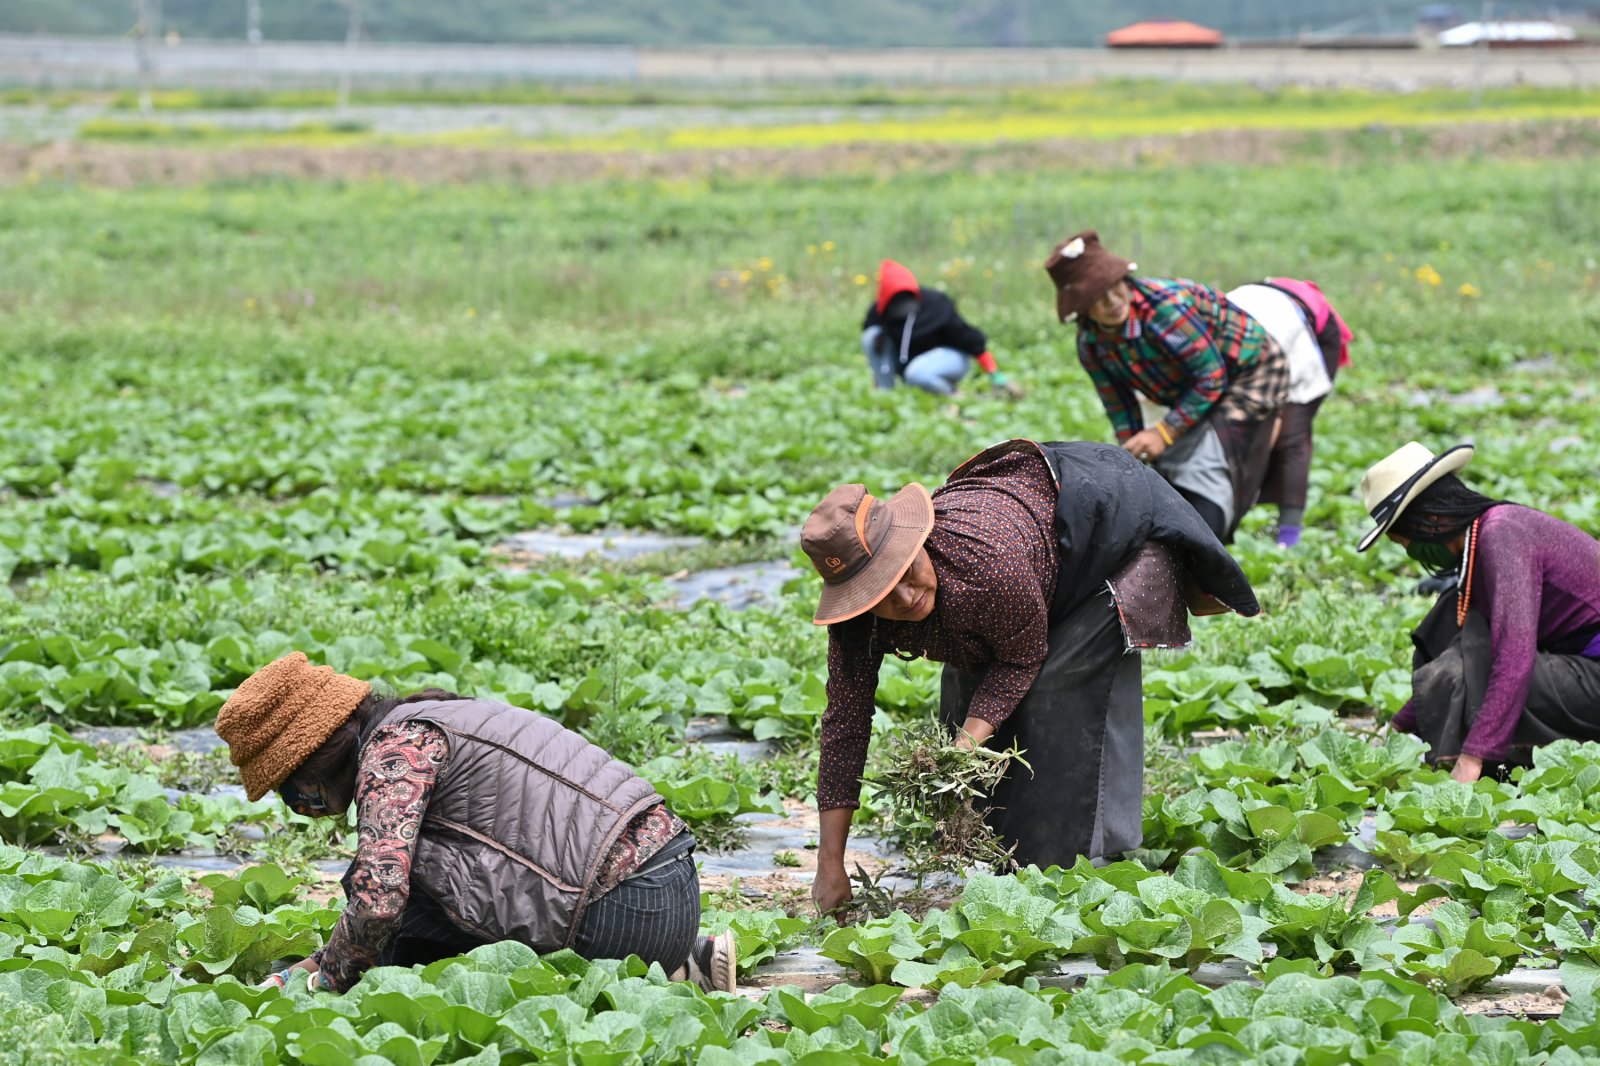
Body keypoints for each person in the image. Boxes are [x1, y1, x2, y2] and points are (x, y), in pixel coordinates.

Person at [802, 438, 1260, 914]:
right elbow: (845, 725)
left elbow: (1021, 661)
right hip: (1029, 563)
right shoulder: (859, 623)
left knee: (1053, 693)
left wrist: (966, 747)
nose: (904, 597)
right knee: (969, 691)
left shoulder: (986, 564)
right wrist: (829, 862)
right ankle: (1005, 851)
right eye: (881, 593)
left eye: (906, 571)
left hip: (1108, 539)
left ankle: (1087, 859)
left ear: (917, 542)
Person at [212, 652, 736, 994]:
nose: (304, 807)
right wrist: (320, 958)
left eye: (294, 792)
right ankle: (678, 965)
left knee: (388, 902)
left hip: (626, 912)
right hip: (671, 888)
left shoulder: (394, 755)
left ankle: (641, 967)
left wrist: (324, 978)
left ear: (317, 759)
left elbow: (379, 901)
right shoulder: (434, 717)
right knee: (400, 883)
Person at [1358, 442, 1600, 782]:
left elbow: (1514, 656)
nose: (1410, 551)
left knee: (1470, 667)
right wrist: (1396, 730)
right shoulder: (1483, 537)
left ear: (1433, 519)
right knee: (1452, 623)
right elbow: (1455, 645)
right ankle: (1488, 748)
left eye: (1405, 541)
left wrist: (1472, 760)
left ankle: (1487, 756)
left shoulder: (1502, 534)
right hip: (1579, 668)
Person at [1044, 230, 1289, 543]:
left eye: (1114, 287)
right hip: (1191, 381)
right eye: (1097, 297)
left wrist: (1164, 432)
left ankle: (1215, 535)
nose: (1112, 301)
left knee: (1215, 450)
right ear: (1082, 307)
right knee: (1165, 460)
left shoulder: (1163, 311)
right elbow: (1118, 404)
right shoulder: (1091, 345)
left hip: (1250, 368)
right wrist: (1132, 452)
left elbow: (1211, 376)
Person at [1225, 278, 1353, 548]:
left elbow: (1272, 418)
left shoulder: (1272, 348)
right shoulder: (1214, 349)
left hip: (1308, 332)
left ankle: (1289, 537)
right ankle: (1229, 519)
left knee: (1290, 436)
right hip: (1268, 304)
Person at [862, 259, 1023, 398]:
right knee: (871, 336)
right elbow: (874, 345)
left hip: (947, 358)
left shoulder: (936, 305)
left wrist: (995, 374)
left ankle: (952, 395)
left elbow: (970, 338)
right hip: (909, 363)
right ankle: (886, 396)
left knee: (916, 373)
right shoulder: (880, 313)